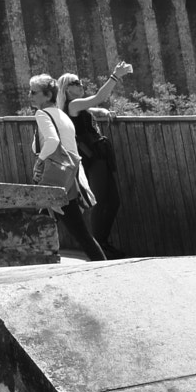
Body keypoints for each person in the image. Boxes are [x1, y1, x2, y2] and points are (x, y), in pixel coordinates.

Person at [31, 73, 106, 261]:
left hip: (55, 179)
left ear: (47, 95)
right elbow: (53, 145)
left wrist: (39, 161)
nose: (30, 96)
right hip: (69, 176)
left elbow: (52, 141)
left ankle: (104, 266)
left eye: (34, 92)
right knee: (40, 222)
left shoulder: (42, 114)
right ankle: (39, 261)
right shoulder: (61, 115)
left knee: (80, 233)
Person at [66, 62, 131, 255]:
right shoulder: (72, 104)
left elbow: (95, 109)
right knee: (101, 201)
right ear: (67, 89)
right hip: (91, 159)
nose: (80, 84)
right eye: (76, 83)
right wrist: (115, 76)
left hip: (99, 157)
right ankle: (99, 246)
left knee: (113, 201)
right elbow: (99, 98)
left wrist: (105, 112)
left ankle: (102, 242)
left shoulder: (80, 106)